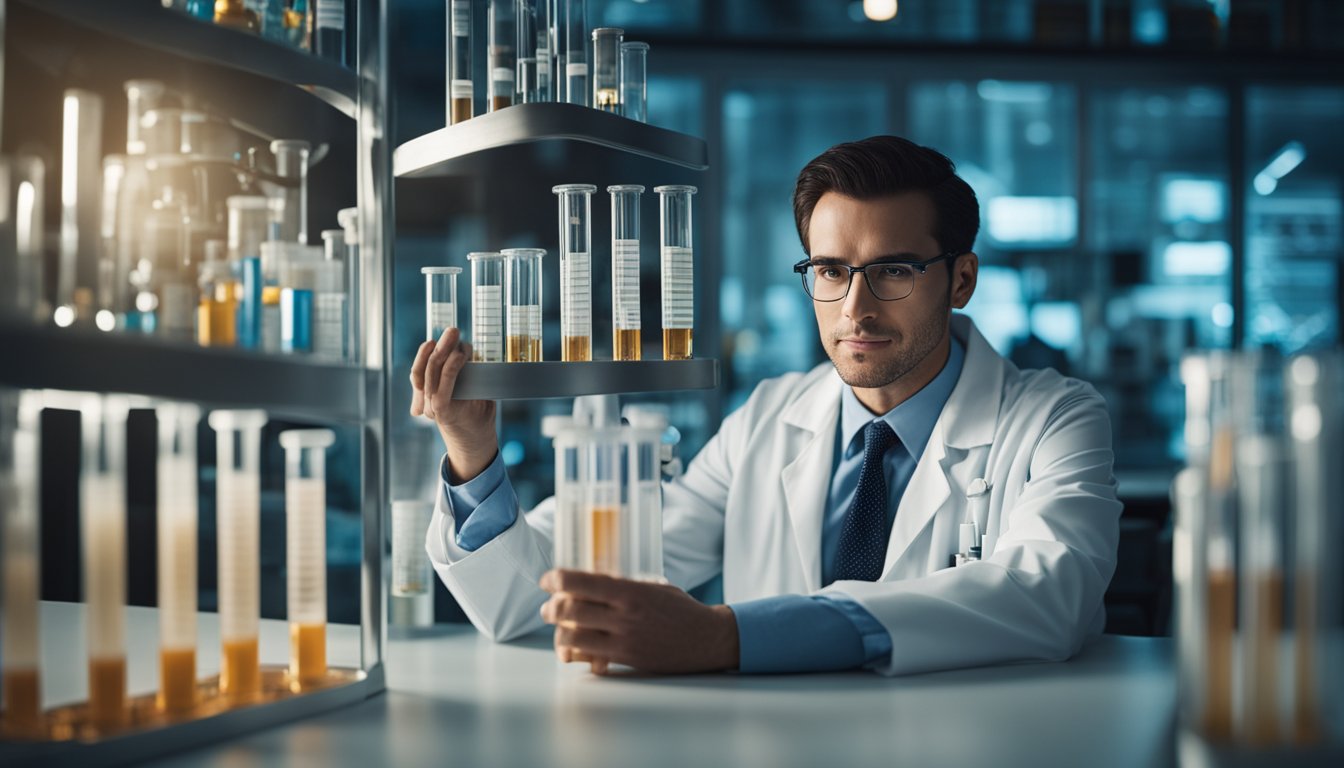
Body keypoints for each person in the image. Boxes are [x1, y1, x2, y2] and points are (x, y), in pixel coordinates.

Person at [410, 135, 1121, 677]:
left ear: (960, 279)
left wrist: (727, 637)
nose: (856, 309)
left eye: (894, 271)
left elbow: (1049, 594)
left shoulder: (1053, 419)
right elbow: (540, 598)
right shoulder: (770, 417)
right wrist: (474, 457)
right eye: (832, 271)